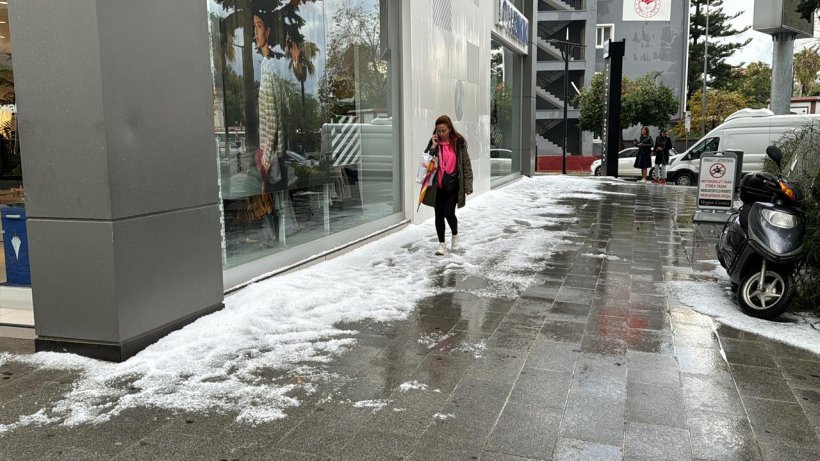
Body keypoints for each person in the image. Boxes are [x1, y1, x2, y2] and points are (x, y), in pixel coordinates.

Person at [421, 115, 474, 256]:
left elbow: (466, 165)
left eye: (443, 131)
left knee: (449, 212)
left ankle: (455, 235)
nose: (441, 134)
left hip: (452, 185)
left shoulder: (459, 143)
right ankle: (441, 244)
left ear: (449, 129)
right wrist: (433, 147)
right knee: (438, 214)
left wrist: (468, 186)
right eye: (438, 131)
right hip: (437, 186)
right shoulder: (434, 143)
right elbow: (426, 163)